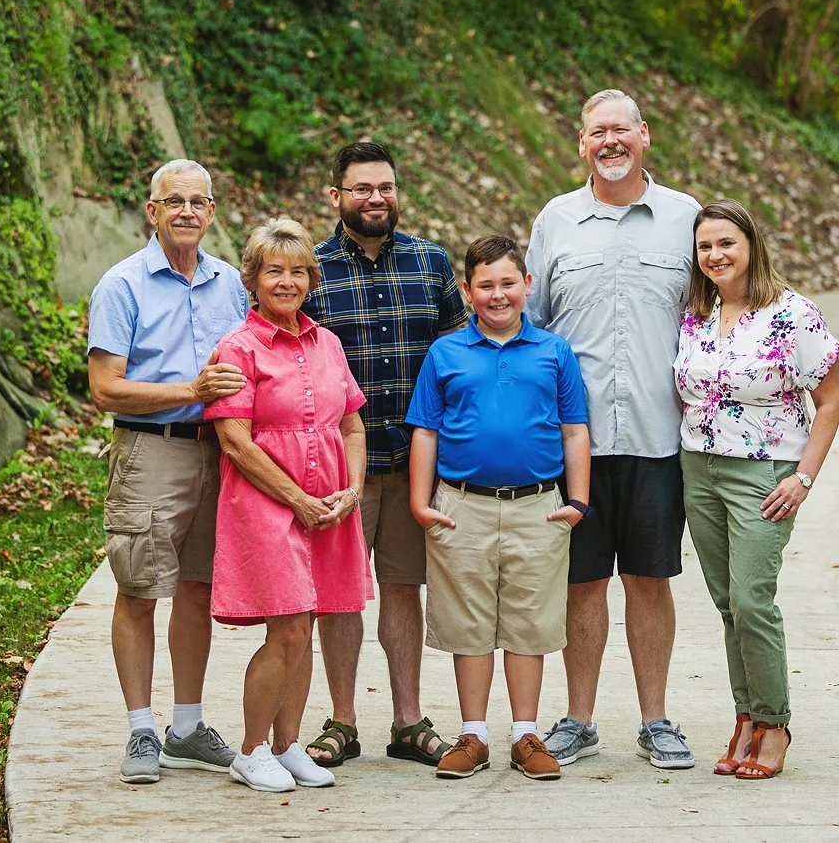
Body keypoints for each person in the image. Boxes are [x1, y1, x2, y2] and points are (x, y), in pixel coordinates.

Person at [525, 89, 702, 770]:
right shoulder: (556, 220)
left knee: (651, 581)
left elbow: (721, 310)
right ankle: (579, 719)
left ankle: (656, 719)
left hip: (662, 438)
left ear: (644, 135)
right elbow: (533, 325)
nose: (609, 142)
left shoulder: (686, 218)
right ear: (581, 144)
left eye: (620, 129)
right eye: (596, 131)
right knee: (582, 583)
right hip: (576, 443)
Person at [84, 159, 250, 786]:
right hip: (150, 451)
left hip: (220, 450)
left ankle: (185, 726)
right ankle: (141, 729)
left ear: (212, 212)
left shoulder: (230, 283)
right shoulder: (122, 285)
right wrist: (191, 390)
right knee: (139, 589)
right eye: (172, 200)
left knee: (198, 588)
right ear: (151, 211)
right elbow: (105, 388)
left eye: (197, 201)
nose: (185, 211)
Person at [405, 236, 593, 782]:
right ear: (467, 291)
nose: (497, 295)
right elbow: (426, 431)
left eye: (508, 283)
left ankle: (524, 734)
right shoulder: (446, 353)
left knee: (528, 625)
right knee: (469, 625)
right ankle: (473, 734)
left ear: (527, 285)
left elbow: (574, 429)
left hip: (538, 507)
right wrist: (421, 503)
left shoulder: (553, 352)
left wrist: (577, 500)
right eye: (485, 285)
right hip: (463, 507)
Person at [306, 140, 468, 769]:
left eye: (386, 188)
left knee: (404, 589)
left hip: (411, 466)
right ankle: (342, 721)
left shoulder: (430, 264)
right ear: (336, 196)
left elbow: (460, 357)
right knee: (340, 593)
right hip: (338, 469)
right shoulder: (311, 269)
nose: (377, 199)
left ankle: (407, 721)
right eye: (362, 189)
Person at [675, 199, 839, 782]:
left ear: (750, 245)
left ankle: (775, 723)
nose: (716, 255)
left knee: (752, 599)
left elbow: (830, 402)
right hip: (698, 467)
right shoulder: (695, 312)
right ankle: (745, 716)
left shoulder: (793, 314)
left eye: (726, 243)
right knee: (727, 604)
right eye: (705, 247)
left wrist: (803, 477)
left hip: (765, 472)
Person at [202, 216, 370, 794]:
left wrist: (353, 488)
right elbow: (235, 442)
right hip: (267, 507)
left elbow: (351, 424)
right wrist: (297, 499)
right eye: (275, 271)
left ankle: (287, 744)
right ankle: (249, 751)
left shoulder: (327, 343)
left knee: (313, 618)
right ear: (253, 278)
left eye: (299, 271)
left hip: (328, 506)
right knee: (290, 628)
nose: (287, 281)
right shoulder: (238, 347)